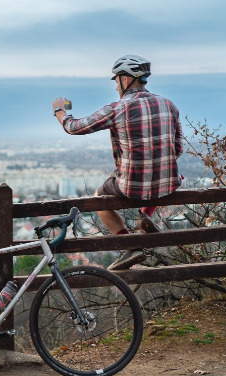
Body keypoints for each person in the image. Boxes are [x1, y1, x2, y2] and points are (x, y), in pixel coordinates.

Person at [52, 54, 183, 270]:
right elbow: (177, 149)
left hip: (130, 187)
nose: (115, 87)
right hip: (168, 185)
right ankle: (144, 218)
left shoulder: (117, 108)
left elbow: (73, 127)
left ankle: (128, 245)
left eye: (116, 80)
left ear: (125, 79)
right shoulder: (169, 105)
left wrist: (59, 111)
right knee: (171, 176)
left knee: (99, 198)